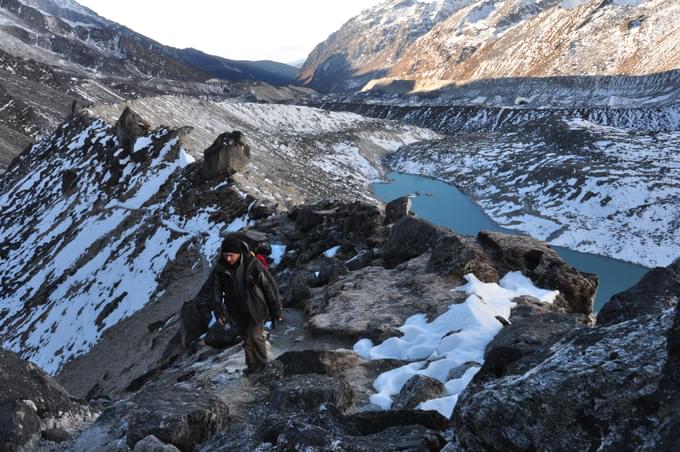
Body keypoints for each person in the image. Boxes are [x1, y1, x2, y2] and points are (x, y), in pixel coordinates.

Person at [212, 235, 282, 374]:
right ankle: (252, 367)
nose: (228, 259)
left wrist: (276, 309)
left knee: (256, 336)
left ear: (238, 253)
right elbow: (216, 290)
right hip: (237, 310)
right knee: (246, 339)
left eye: (231, 256)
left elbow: (268, 287)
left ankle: (263, 366)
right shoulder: (220, 268)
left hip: (256, 307)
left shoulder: (253, 264)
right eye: (225, 256)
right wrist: (218, 311)